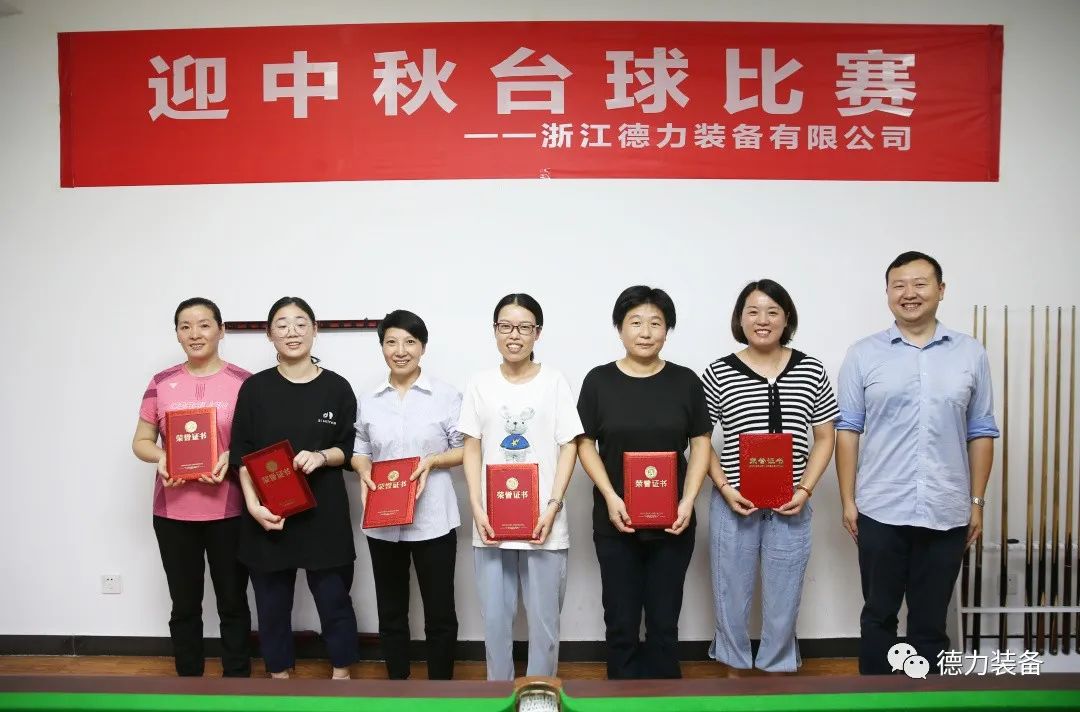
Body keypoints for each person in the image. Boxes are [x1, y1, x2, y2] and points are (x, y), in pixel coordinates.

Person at [835, 251, 998, 674]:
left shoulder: (970, 353)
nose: (909, 293)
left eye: (920, 283)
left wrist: (976, 503)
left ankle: (928, 698)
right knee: (878, 616)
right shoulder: (862, 354)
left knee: (930, 621)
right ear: (888, 293)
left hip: (947, 508)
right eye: (899, 285)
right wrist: (848, 500)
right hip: (880, 507)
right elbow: (848, 430)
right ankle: (876, 698)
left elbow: (981, 431)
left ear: (941, 290)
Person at [700, 279, 838, 675]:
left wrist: (805, 489)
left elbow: (825, 436)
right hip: (734, 502)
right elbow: (701, 439)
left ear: (786, 318)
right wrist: (724, 488)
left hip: (791, 501)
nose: (763, 320)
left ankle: (778, 667)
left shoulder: (811, 369)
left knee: (785, 592)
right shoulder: (718, 371)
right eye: (753, 312)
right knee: (730, 590)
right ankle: (734, 665)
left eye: (772, 311)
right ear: (740, 319)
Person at [576, 285, 712, 679]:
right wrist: (610, 495)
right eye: (635, 322)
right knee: (620, 621)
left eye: (656, 323)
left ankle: (664, 697)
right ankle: (621, 697)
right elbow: (584, 443)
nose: (646, 332)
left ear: (667, 330)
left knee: (664, 622)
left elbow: (701, 443)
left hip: (674, 520)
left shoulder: (685, 381)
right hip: (615, 520)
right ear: (620, 329)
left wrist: (688, 500)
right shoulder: (599, 381)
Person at [230, 297, 359, 680]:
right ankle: (279, 677)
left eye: (301, 323)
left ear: (315, 330)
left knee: (334, 600)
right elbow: (241, 453)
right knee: (271, 605)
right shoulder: (255, 388)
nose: (292, 332)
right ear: (269, 334)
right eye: (282, 325)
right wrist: (253, 505)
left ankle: (341, 674)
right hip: (269, 514)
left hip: (325, 512)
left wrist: (321, 456)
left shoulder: (337, 387)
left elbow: (350, 449)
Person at [458, 293, 583, 681]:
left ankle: (541, 694)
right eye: (506, 326)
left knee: (545, 622)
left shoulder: (554, 381)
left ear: (537, 333)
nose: (514, 335)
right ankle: (499, 693)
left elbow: (570, 445)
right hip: (490, 521)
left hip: (544, 520)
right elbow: (471, 445)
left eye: (524, 327)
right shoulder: (479, 383)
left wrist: (553, 505)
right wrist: (476, 505)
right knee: (495, 620)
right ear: (494, 330)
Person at [131, 297, 252, 677]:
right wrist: (163, 457)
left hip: (229, 511)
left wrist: (230, 455)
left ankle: (237, 680)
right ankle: (188, 680)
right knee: (184, 604)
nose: (195, 333)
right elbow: (141, 441)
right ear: (178, 334)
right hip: (173, 513)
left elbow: (256, 442)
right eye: (185, 326)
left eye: (204, 324)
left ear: (221, 330)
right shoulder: (161, 383)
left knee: (233, 601)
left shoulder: (245, 382)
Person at [352, 309, 464, 680]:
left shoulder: (446, 396)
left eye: (410, 342)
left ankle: (441, 690)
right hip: (383, 521)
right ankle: (397, 686)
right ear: (382, 347)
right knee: (391, 612)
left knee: (440, 613)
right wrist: (362, 468)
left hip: (433, 519)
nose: (400, 351)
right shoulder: (369, 399)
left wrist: (433, 461)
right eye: (391, 342)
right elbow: (360, 448)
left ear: (423, 347)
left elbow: (465, 449)